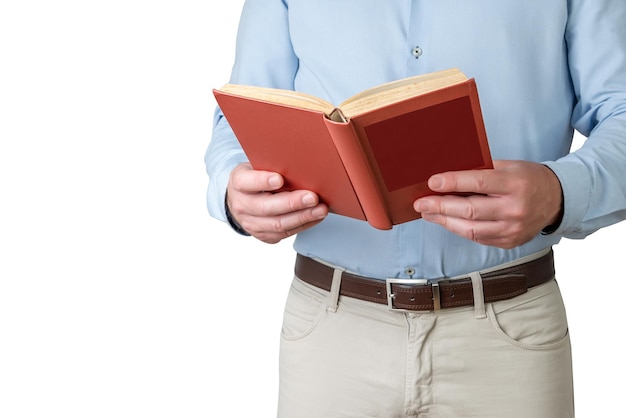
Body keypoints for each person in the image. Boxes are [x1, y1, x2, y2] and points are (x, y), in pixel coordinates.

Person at [205, 1, 626, 417]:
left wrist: (558, 191)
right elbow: (242, 113)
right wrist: (233, 188)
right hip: (330, 336)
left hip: (509, 333)